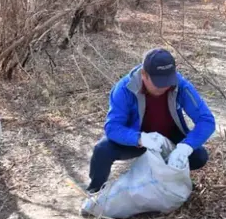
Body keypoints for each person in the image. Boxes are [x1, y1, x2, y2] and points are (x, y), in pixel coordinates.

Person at [86, 48, 215, 193]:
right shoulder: (124, 88)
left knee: (199, 156)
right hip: (138, 140)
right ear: (144, 75)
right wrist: (139, 138)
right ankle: (95, 190)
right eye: (158, 82)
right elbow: (112, 127)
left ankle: (171, 179)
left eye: (168, 81)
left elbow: (206, 120)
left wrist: (186, 147)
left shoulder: (180, 85)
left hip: (170, 137)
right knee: (102, 150)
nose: (164, 87)